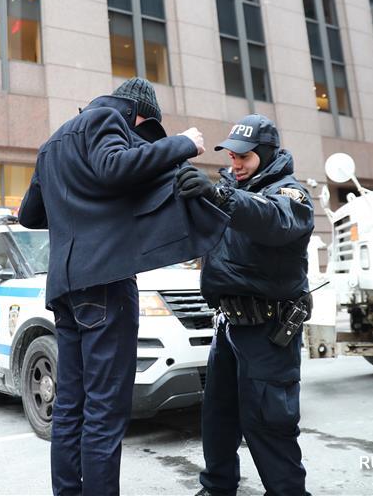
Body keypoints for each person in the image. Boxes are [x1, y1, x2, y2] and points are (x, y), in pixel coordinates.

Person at [19, 77, 228, 496]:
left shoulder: (52, 145)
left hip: (65, 288)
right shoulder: (104, 120)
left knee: (70, 408)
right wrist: (184, 143)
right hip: (105, 285)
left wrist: (78, 212)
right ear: (137, 113)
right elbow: (115, 166)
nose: (140, 139)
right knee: (104, 410)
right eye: (143, 131)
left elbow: (29, 214)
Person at [175, 114, 314, 496]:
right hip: (228, 327)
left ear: (266, 155)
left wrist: (220, 196)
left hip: (269, 332)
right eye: (231, 156)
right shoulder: (228, 191)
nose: (235, 164)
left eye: (245, 157)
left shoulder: (291, 194)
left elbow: (272, 218)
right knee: (218, 419)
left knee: (270, 424)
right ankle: (217, 488)